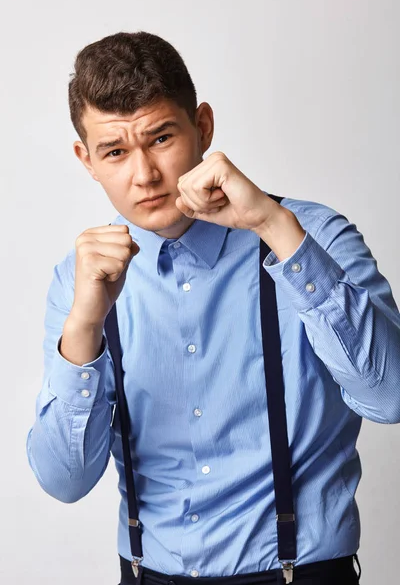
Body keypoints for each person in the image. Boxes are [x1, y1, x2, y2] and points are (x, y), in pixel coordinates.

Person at [26, 31, 400, 585]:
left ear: (202, 127)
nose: (144, 174)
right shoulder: (79, 279)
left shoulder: (310, 236)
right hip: (145, 573)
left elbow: (390, 396)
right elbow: (64, 481)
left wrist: (274, 227)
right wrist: (84, 327)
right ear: (87, 159)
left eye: (160, 138)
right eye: (115, 151)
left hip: (297, 573)